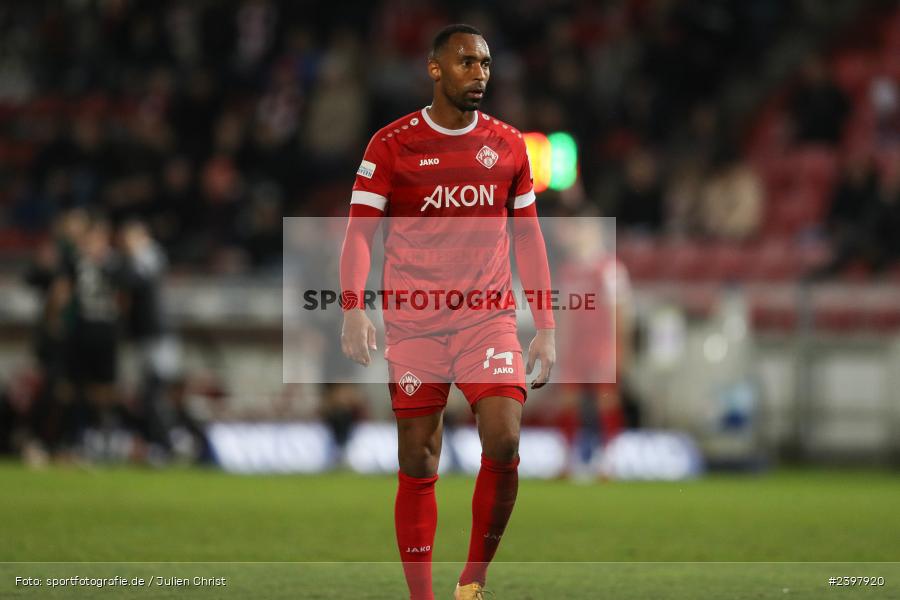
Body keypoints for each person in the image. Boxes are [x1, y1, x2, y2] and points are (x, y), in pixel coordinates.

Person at [338, 24, 556, 600]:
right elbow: (359, 236)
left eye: (485, 63)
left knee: (505, 440)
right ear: (435, 70)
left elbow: (530, 240)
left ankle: (473, 580)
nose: (479, 73)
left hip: (487, 317)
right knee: (418, 454)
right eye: (465, 63)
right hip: (415, 321)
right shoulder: (391, 145)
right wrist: (354, 309)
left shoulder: (508, 145)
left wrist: (547, 328)